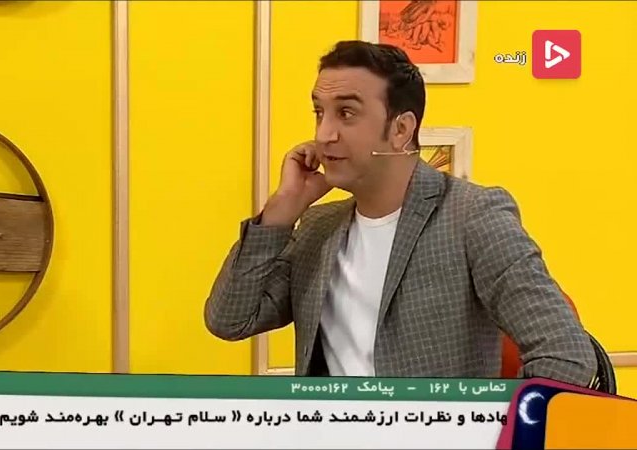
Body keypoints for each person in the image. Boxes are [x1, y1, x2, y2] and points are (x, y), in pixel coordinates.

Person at [203, 40, 597, 386]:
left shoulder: (473, 216)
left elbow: (566, 356)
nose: (324, 134)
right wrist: (281, 211)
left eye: (346, 113)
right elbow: (230, 319)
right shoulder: (318, 227)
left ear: (401, 129)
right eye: (319, 113)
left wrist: (489, 429)